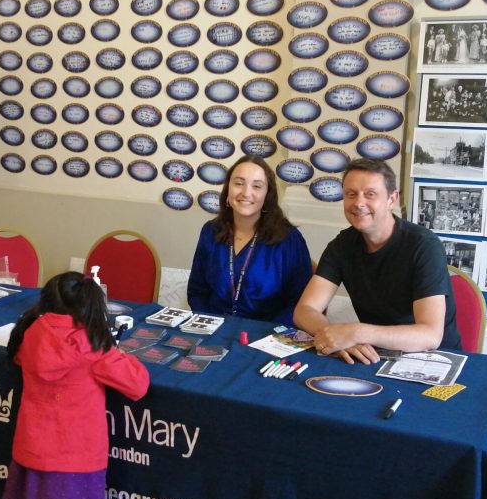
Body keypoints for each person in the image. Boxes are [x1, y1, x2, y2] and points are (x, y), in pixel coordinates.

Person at [2, 271, 149, 499]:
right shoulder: (93, 344)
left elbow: (18, 356)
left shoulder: (31, 330)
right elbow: (138, 385)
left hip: (35, 455)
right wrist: (115, 350)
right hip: (77, 460)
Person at [293, 158, 461, 364]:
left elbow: (430, 336)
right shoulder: (341, 245)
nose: (358, 203)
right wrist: (337, 337)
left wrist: (356, 332)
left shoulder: (424, 245)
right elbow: (304, 310)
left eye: (370, 194)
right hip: (375, 356)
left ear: (392, 199)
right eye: (351, 194)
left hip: (432, 359)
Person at [187, 155, 313, 325]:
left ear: (267, 194)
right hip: (213, 331)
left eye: (257, 186)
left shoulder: (289, 240)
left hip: (266, 337)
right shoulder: (210, 231)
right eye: (238, 183)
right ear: (227, 189)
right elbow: (197, 291)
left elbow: (299, 303)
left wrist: (266, 335)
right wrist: (210, 325)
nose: (246, 193)